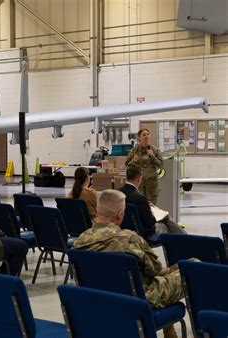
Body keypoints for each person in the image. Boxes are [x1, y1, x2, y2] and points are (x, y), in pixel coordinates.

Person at [73, 189, 184, 338]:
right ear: (120, 214)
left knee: (166, 274)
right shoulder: (129, 238)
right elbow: (154, 269)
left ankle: (170, 332)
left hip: (98, 301)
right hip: (140, 300)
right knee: (192, 269)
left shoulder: (80, 242)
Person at [119, 164, 186, 239]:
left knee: (168, 221)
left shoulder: (117, 193)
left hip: (122, 228)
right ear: (139, 179)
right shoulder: (140, 198)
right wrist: (152, 213)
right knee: (168, 225)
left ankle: (185, 238)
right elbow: (150, 223)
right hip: (142, 232)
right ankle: (185, 239)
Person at [125, 128, 163, 204]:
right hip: (139, 182)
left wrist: (152, 156)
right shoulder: (134, 150)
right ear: (139, 138)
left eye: (148, 134)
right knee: (139, 203)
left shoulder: (154, 150)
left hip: (152, 182)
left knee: (152, 204)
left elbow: (160, 164)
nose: (146, 136)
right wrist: (133, 161)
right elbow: (127, 164)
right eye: (144, 135)